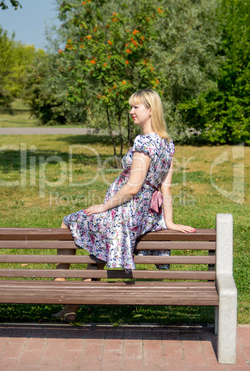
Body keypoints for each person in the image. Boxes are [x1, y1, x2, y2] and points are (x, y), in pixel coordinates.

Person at [53, 88, 196, 322]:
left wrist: (104, 206)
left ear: (150, 110)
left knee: (69, 220)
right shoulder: (167, 144)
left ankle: (58, 281)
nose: (131, 111)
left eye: (135, 107)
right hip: (141, 217)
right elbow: (166, 187)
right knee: (97, 256)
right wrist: (168, 222)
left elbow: (133, 186)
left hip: (124, 214)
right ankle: (69, 310)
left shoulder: (144, 142)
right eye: (131, 107)